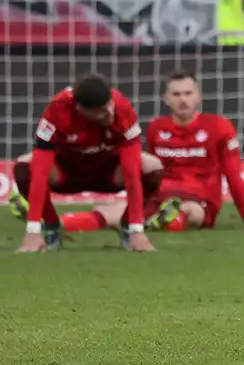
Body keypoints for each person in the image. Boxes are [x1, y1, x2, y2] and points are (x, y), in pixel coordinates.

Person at [52, 72, 244, 233]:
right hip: (160, 196)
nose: (183, 99)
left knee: (188, 211)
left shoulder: (219, 126)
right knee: (110, 211)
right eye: (176, 94)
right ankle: (56, 222)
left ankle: (164, 218)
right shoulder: (157, 128)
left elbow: (233, 175)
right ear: (166, 98)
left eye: (188, 93)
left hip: (200, 199)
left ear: (198, 96)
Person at [11, 75, 159, 252]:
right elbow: (41, 170)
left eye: (109, 104)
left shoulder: (122, 109)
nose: (109, 111)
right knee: (24, 167)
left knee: (152, 168)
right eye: (102, 111)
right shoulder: (58, 109)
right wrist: (32, 231)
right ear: (80, 108)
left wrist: (138, 230)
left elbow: (131, 170)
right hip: (67, 173)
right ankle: (51, 227)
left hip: (107, 173)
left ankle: (128, 228)